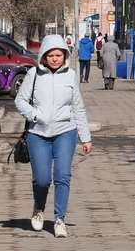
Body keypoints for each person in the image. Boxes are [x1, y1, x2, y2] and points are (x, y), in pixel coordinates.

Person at [14, 34, 92, 238]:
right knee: (42, 179)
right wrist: (35, 115)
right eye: (51, 55)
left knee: (63, 175)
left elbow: (78, 106)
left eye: (59, 55)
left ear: (65, 55)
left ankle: (59, 219)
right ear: (44, 56)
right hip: (37, 134)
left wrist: (86, 137)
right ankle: (39, 209)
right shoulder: (33, 74)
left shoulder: (70, 75)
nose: (55, 58)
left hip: (65, 132)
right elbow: (20, 100)